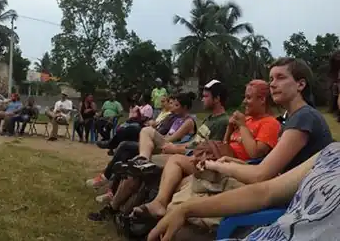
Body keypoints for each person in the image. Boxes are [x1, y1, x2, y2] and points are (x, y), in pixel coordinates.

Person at [148, 58, 334, 241]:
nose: (273, 84)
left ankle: (171, 214)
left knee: (200, 186)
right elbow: (274, 167)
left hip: (291, 200)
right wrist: (234, 162)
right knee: (196, 182)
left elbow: (261, 175)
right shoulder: (293, 118)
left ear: (300, 84)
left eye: (280, 78)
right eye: (271, 79)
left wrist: (222, 166)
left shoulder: (304, 118)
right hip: (281, 188)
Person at [132, 80, 282, 227]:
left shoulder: (269, 123)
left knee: (176, 163)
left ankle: (159, 205)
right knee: (176, 174)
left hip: (235, 170)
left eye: (248, 97)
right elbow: (225, 145)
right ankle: (155, 210)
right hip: (220, 161)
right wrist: (230, 129)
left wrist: (242, 125)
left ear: (262, 100)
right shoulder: (248, 120)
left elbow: (255, 154)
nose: (244, 102)